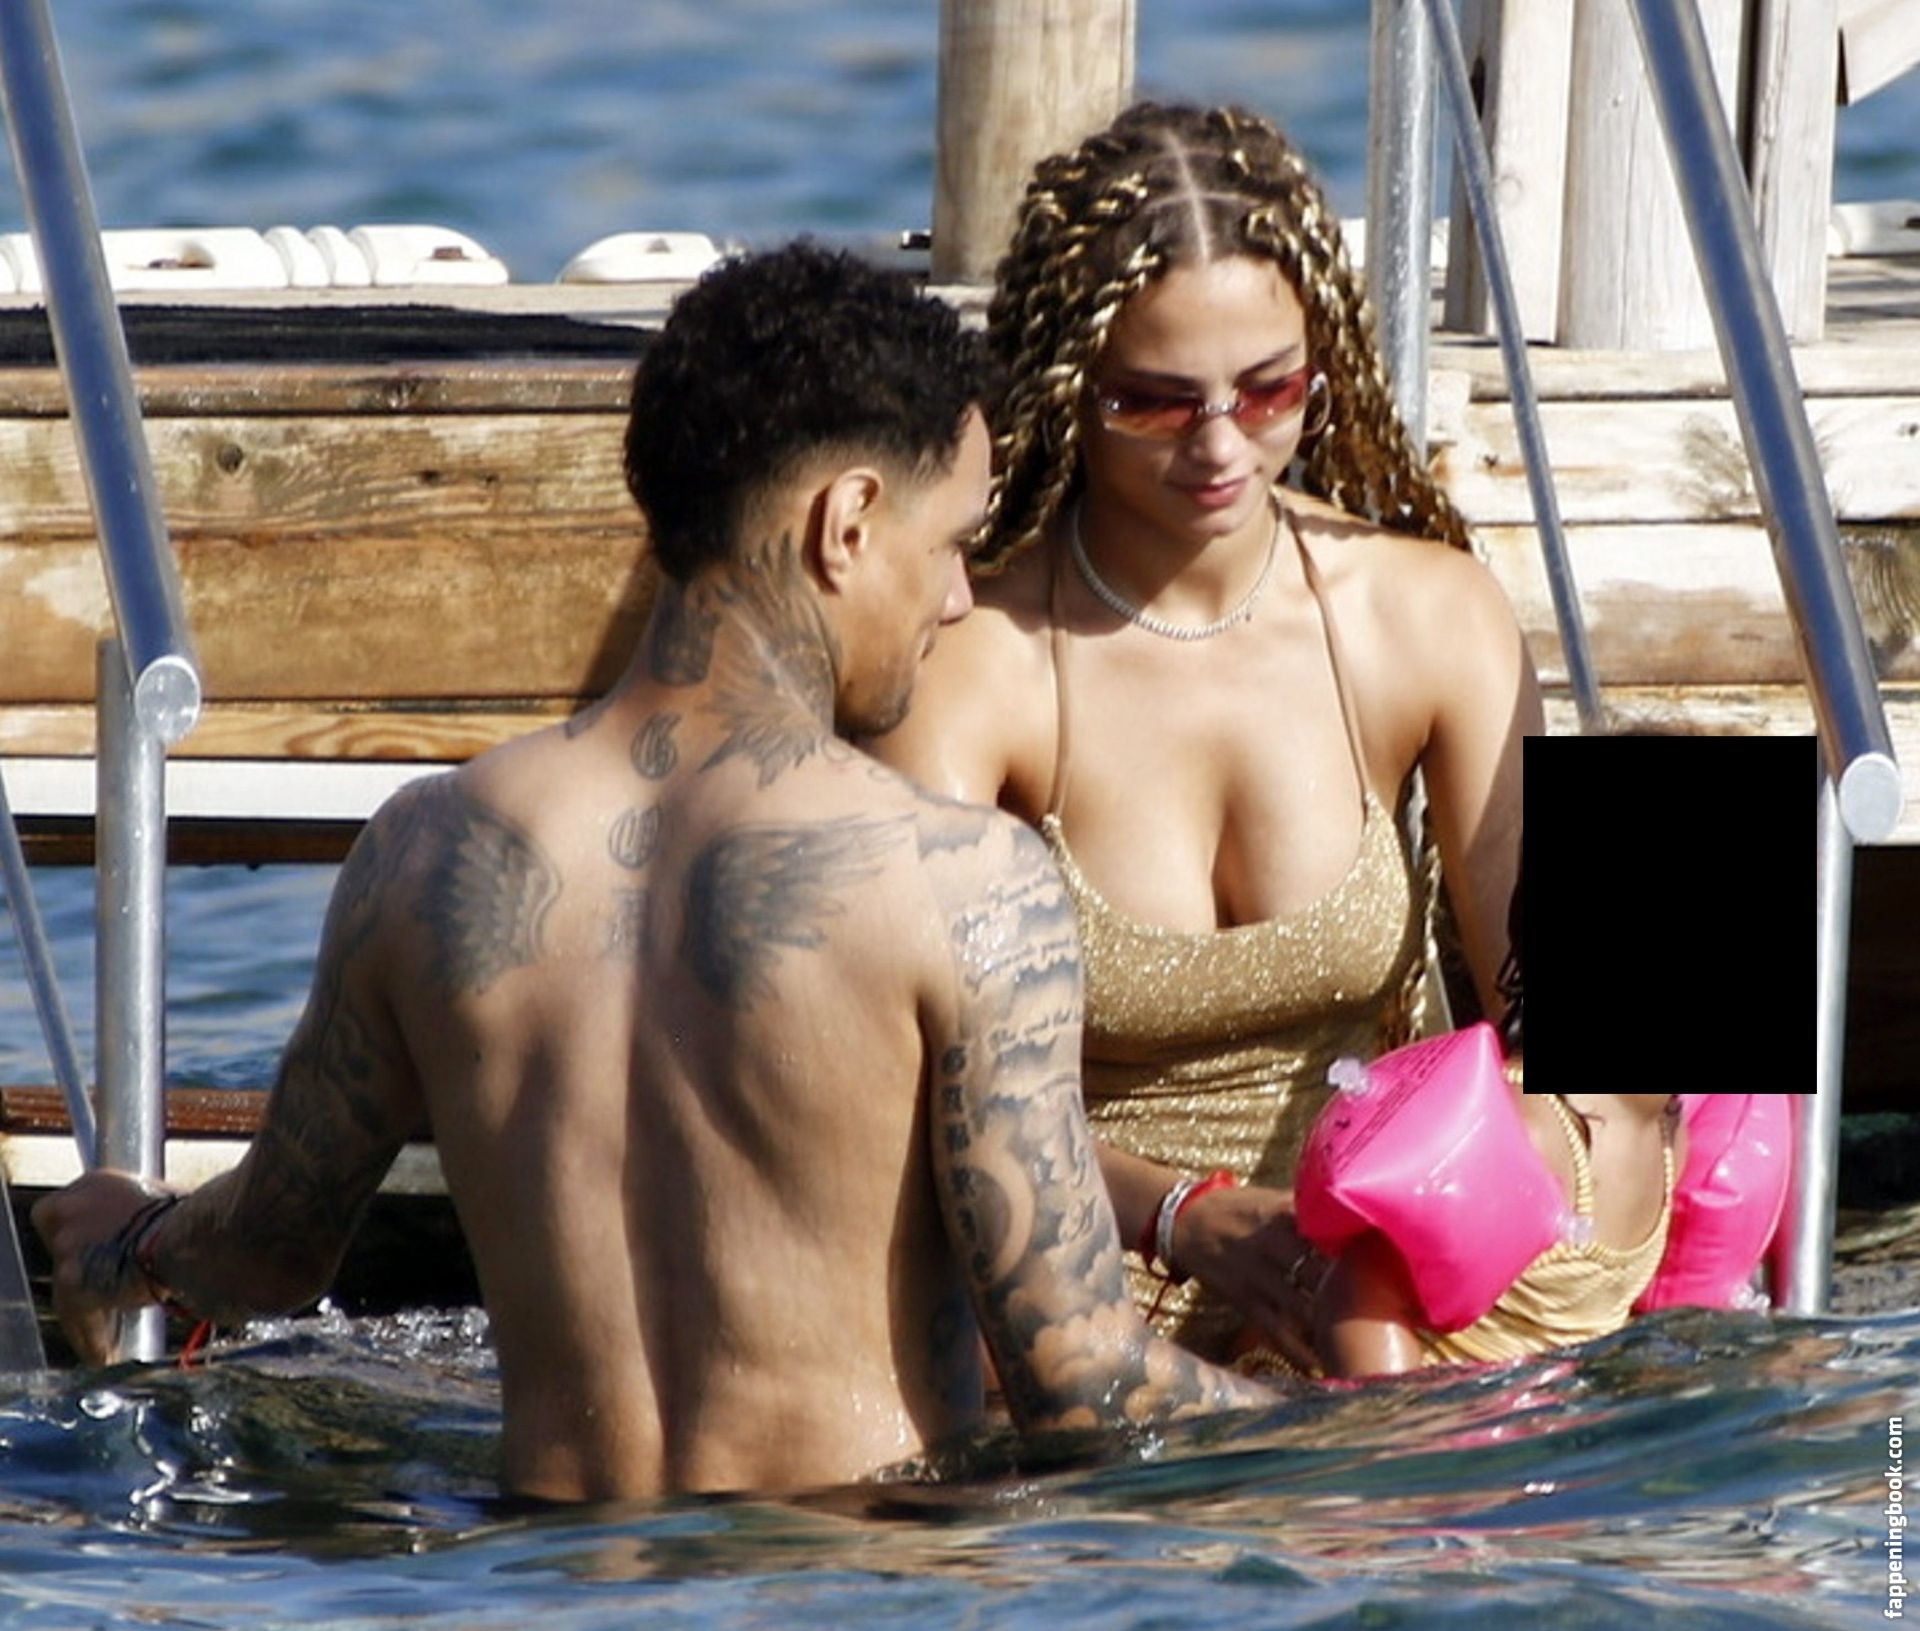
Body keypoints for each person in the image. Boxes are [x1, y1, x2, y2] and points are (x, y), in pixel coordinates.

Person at [32, 243, 1272, 1502]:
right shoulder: (962, 882)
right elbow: (1082, 1384)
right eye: (953, 541)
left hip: (545, 1564)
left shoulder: (424, 851)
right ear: (846, 524)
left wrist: (132, 1238)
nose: (958, 597)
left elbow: (270, 1252)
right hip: (855, 1562)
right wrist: (1373, 1425)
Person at [869, 102, 1541, 1367]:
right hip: (1077, 1325)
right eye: (1157, 403)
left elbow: (1565, 1029)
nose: (1223, 445)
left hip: (1381, 1307)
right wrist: (1180, 1214)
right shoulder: (974, 665)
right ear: (1069, 387)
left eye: (1270, 387)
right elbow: (906, 1093)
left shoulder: (1430, 611)